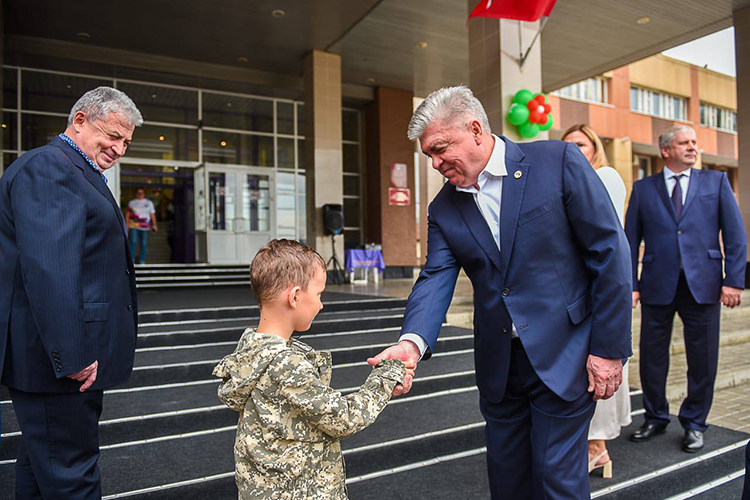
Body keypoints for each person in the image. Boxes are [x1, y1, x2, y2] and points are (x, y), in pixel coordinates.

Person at [369, 86, 632, 499]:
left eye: (440, 149)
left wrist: (609, 349)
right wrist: (412, 342)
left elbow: (610, 253)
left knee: (557, 484)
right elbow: (436, 275)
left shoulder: (557, 161)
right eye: (429, 156)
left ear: (475, 129)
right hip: (500, 368)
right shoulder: (443, 208)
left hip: (567, 355)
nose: (436, 163)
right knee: (508, 485)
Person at [0, 86, 142, 499]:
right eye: (112, 135)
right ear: (79, 120)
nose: (118, 149)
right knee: (71, 477)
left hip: (55, 363)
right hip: (58, 364)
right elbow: (50, 269)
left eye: (126, 143)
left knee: (42, 465)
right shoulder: (51, 168)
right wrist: (73, 354)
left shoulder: (75, 170)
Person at [213, 239, 405, 499]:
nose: (321, 304)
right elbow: (344, 418)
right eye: (318, 294)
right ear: (294, 297)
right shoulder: (286, 364)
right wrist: (388, 374)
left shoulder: (250, 350)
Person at [625, 125, 746, 453]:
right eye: (685, 143)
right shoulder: (643, 189)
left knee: (703, 358)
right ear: (666, 150)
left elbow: (735, 235)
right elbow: (629, 240)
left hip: (704, 285)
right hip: (656, 286)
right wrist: (631, 286)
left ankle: (694, 423)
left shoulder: (716, 182)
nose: (693, 147)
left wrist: (734, 280)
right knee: (651, 357)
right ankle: (655, 416)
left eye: (694, 142)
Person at [562, 123, 631, 478]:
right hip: (572, 289)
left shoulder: (605, 176)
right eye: (567, 146)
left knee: (599, 366)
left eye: (581, 145)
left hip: (597, 286)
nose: (574, 151)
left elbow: (605, 239)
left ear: (595, 149)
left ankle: (597, 448)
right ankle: (593, 448)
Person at [126, 188, 158, 264]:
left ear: (144, 194)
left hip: (145, 227)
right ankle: (131, 260)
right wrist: (126, 224)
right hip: (134, 226)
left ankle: (141, 260)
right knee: (133, 242)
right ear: (136, 194)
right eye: (138, 193)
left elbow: (152, 214)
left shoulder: (149, 203)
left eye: (141, 193)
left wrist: (154, 224)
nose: (140, 194)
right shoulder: (132, 203)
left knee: (143, 243)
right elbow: (128, 214)